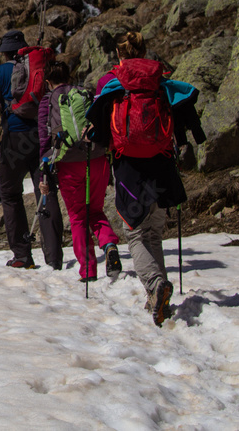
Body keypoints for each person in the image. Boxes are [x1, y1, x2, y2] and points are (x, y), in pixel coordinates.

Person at [86, 32, 205, 326]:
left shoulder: (112, 82)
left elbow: (98, 125)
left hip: (129, 168)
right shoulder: (160, 80)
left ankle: (154, 285)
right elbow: (185, 106)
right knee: (153, 232)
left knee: (136, 234)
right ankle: (157, 293)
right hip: (162, 165)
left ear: (119, 55)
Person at [0, 30, 63, 270]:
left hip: (13, 139)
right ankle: (54, 257)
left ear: (4, 53)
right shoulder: (42, 68)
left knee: (10, 195)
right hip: (42, 137)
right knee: (46, 192)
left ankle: (22, 255)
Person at [38, 60, 121, 283]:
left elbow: (45, 141)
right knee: (95, 210)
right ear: (69, 76)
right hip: (96, 159)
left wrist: (44, 174)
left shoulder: (47, 101)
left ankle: (88, 270)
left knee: (77, 217)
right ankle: (109, 244)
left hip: (68, 163)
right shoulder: (85, 94)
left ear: (47, 82)